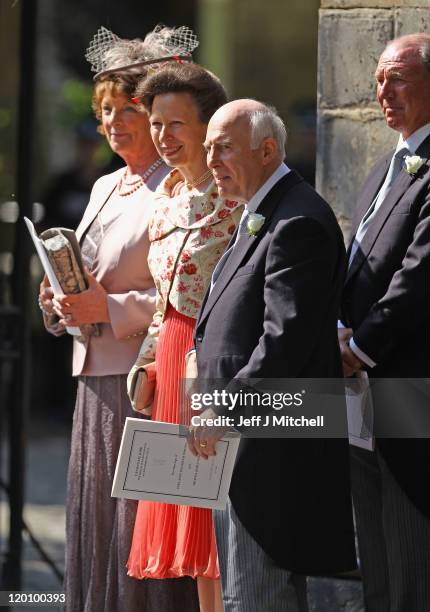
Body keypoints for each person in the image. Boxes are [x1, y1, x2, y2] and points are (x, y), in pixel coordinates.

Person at [38, 26, 200, 612]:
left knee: (141, 526)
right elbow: (86, 272)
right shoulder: (106, 184)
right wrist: (59, 300)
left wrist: (105, 307)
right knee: (100, 524)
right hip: (94, 379)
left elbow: (189, 292)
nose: (111, 123)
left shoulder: (180, 185)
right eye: (103, 111)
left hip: (148, 378)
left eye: (125, 110)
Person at [187, 99, 357, 611]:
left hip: (267, 446)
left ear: (266, 151)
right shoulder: (260, 211)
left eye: (224, 148)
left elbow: (285, 338)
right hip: (236, 443)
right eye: (209, 148)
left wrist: (225, 408)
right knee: (242, 592)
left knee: (256, 596)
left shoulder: (296, 219)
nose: (212, 160)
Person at [126, 63, 243, 612]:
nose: (163, 138)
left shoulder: (238, 200)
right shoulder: (166, 197)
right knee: (186, 510)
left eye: (176, 124)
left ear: (208, 127)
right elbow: (161, 300)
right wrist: (147, 365)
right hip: (171, 360)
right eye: (155, 124)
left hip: (215, 360)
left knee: (219, 517)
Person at [338, 33, 430, 611]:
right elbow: (359, 264)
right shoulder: (386, 165)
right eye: (377, 80)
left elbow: (420, 276)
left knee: (409, 546)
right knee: (371, 547)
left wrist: (360, 347)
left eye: (397, 78)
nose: (382, 93)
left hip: (407, 381)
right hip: (358, 383)